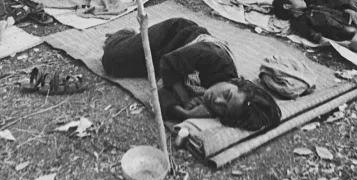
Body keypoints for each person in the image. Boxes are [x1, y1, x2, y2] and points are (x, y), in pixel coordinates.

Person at [102, 18, 281, 130]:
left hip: (165, 64)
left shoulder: (213, 106)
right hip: (172, 36)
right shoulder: (215, 58)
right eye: (226, 94)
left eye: (223, 108)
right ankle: (125, 34)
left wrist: (183, 113)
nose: (216, 101)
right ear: (237, 81)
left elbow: (161, 93)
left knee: (142, 70)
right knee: (111, 60)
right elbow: (168, 63)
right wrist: (184, 96)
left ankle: (134, 42)